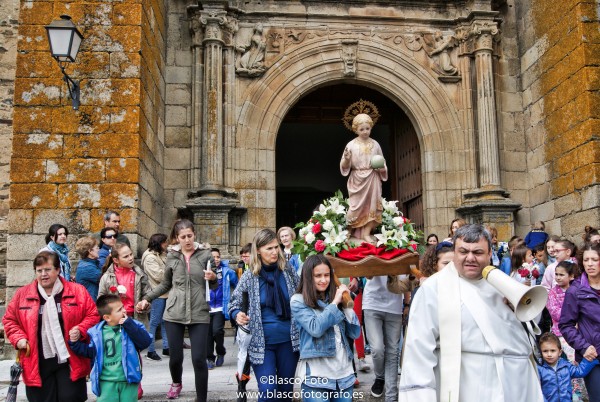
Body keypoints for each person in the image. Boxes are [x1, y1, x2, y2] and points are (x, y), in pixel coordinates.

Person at [399, 224, 544, 402]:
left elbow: (529, 328)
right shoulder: (433, 288)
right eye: (463, 251)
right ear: (454, 253)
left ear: (490, 254)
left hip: (517, 384)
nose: (470, 258)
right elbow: (419, 351)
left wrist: (518, 311)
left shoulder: (501, 283)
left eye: (477, 252)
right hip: (470, 386)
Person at [136, 219, 218, 402]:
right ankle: (176, 382)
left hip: (199, 311)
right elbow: (165, 284)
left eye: (190, 235)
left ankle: (201, 398)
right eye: (183, 237)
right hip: (174, 312)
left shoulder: (205, 255)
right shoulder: (172, 256)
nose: (187, 240)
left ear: (194, 234)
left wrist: (212, 278)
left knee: (198, 358)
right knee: (175, 358)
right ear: (177, 238)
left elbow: (214, 284)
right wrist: (147, 298)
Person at [2, 251, 99, 402]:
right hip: (36, 359)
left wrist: (80, 330)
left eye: (47, 270)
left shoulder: (77, 291)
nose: (43, 274)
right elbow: (10, 320)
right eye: (39, 271)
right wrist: (18, 338)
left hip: (70, 358)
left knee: (71, 398)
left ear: (58, 270)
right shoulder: (22, 294)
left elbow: (93, 315)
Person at [229, 228, 300, 402]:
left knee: (285, 392)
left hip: (289, 341)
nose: (275, 252)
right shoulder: (250, 276)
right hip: (261, 344)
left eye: (276, 247)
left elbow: (302, 293)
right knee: (268, 391)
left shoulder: (287, 270)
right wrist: (237, 314)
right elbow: (233, 303)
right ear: (258, 250)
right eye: (269, 248)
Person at [291, 254, 361, 402]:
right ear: (308, 277)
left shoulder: (337, 297)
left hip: (344, 375)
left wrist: (346, 304)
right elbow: (315, 328)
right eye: (318, 276)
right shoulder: (298, 300)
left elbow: (355, 333)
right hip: (316, 377)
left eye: (327, 275)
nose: (323, 280)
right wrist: (335, 303)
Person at [69, 294, 152, 402]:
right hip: (105, 382)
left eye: (123, 307)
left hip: (129, 380)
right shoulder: (96, 333)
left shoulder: (133, 325)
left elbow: (145, 342)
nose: (124, 311)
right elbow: (89, 352)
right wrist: (74, 343)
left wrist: (129, 325)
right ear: (107, 317)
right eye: (119, 310)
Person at [559, 243, 600, 402]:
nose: (589, 263)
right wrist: (583, 346)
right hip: (593, 357)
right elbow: (566, 324)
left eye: (594, 259)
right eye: (586, 260)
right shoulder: (575, 290)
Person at [340, 113, 388, 244]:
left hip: (372, 177)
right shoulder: (351, 145)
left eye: (367, 128)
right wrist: (347, 159)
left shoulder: (375, 144)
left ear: (371, 128)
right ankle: (348, 231)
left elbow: (382, 162)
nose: (365, 131)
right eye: (361, 129)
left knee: (372, 207)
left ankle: (366, 233)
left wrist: (381, 168)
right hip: (357, 178)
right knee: (354, 207)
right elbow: (344, 166)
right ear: (355, 129)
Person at [546, 261, 587, 401]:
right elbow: (555, 312)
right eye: (556, 274)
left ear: (571, 276)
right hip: (560, 334)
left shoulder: (580, 290)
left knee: (576, 365)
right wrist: (571, 315)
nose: (557, 277)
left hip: (578, 334)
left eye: (561, 275)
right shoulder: (552, 293)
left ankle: (580, 395)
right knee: (565, 365)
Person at [362, 270, 406, 399]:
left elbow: (408, 278)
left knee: (393, 351)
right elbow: (367, 274)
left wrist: (407, 303)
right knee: (377, 348)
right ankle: (380, 377)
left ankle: (391, 395)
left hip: (395, 305)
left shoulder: (407, 249)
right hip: (372, 303)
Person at [537, 332, 598, 402]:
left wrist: (590, 359)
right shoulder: (539, 368)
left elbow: (579, 372)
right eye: (545, 351)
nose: (549, 354)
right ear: (541, 352)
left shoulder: (565, 365)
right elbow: (537, 390)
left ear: (559, 352)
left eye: (553, 351)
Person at [98, 243, 150, 323]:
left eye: (131, 254)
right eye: (126, 256)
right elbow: (101, 300)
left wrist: (144, 303)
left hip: (137, 318)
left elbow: (147, 294)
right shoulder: (107, 277)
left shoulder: (139, 274)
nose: (131, 258)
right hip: (116, 320)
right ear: (116, 260)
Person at [206, 247, 238, 369]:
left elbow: (238, 286)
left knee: (217, 331)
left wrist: (234, 301)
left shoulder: (227, 272)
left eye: (218, 257)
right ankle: (209, 358)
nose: (216, 259)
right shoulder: (203, 271)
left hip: (220, 307)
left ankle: (220, 352)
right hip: (206, 308)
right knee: (207, 335)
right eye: (213, 257)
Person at [141, 233, 169, 361]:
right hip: (157, 293)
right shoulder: (149, 257)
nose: (166, 244)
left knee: (165, 321)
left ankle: (166, 347)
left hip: (165, 292)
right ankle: (151, 350)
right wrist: (172, 273)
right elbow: (159, 276)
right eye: (164, 242)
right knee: (154, 322)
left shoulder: (161, 254)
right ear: (159, 243)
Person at [75, 236, 102, 301]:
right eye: (97, 248)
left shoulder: (90, 263)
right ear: (90, 251)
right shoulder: (86, 267)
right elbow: (104, 280)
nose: (99, 250)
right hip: (91, 303)